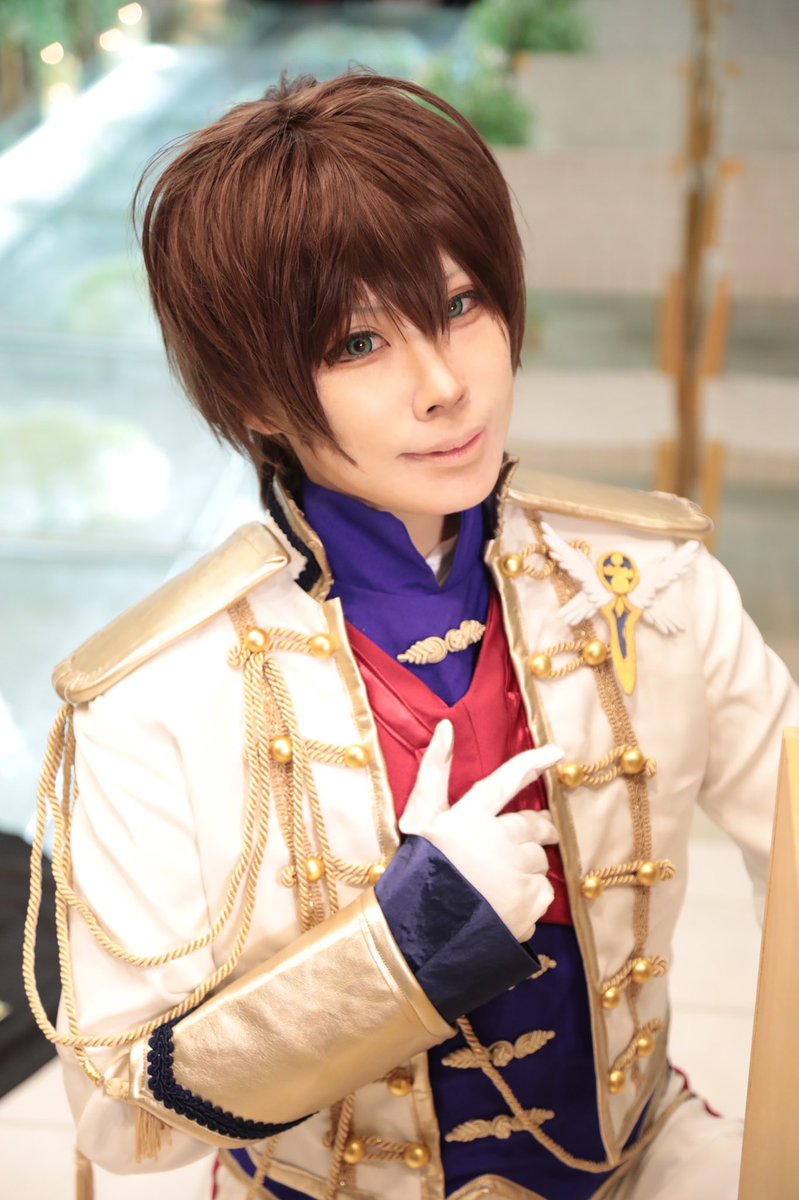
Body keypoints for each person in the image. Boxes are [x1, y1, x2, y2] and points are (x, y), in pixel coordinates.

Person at [24, 71, 798, 1200]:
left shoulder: (651, 585)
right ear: (253, 397)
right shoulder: (154, 693)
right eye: (355, 344)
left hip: (638, 1167)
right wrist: (405, 945)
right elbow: (119, 1115)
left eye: (461, 305)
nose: (444, 385)